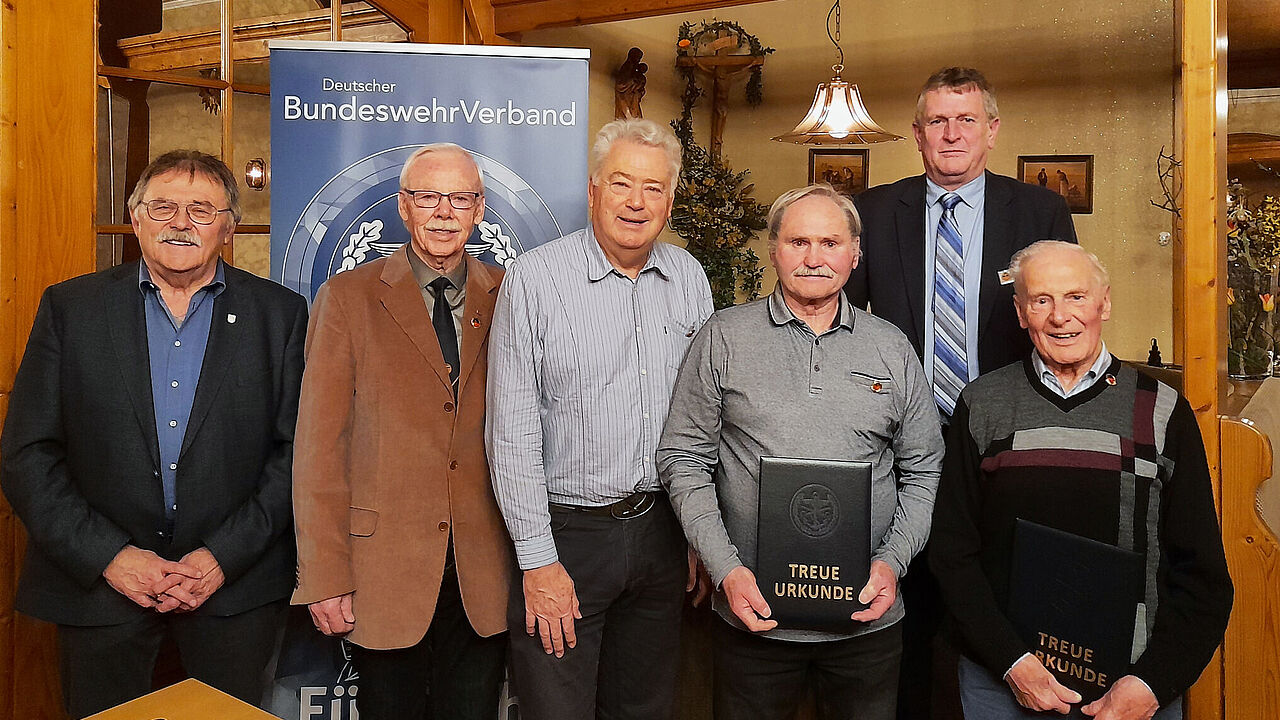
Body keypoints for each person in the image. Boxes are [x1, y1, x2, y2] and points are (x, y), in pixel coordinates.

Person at [0, 150, 307, 718]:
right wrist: (111, 557)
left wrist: (220, 558)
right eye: (162, 206)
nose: (180, 222)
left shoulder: (281, 315)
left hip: (232, 595)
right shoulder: (72, 308)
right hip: (101, 593)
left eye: (201, 209)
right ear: (136, 217)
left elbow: (297, 456)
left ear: (228, 226)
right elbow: (27, 453)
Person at [843, 67, 1078, 719]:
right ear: (917, 135)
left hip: (1004, 451)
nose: (951, 134)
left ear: (992, 130)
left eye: (966, 119)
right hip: (899, 452)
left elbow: (1060, 326)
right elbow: (846, 336)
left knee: (1005, 614)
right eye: (937, 121)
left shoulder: (1039, 212)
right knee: (904, 623)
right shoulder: (870, 211)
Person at [658, 184, 943, 720]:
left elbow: (923, 469)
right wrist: (725, 570)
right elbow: (683, 458)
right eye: (799, 242)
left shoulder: (891, 347)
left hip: (868, 623)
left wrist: (893, 563)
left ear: (855, 254)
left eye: (831, 243)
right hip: (753, 617)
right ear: (774, 250)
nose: (814, 258)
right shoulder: (724, 337)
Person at [929, 240, 1233, 720]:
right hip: (1003, 682)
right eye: (1041, 300)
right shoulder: (983, 403)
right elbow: (951, 553)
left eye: (1076, 297)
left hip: (1133, 688)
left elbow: (1203, 576)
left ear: (1103, 303)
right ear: (1020, 313)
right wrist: (1011, 663)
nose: (1060, 316)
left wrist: (1153, 683)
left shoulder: (1161, 409)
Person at [486, 117, 714, 720]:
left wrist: (696, 532)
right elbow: (511, 430)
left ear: (670, 199)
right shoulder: (535, 281)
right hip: (568, 537)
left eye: (654, 188)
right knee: (556, 709)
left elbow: (702, 419)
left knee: (646, 708)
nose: (636, 203)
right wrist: (537, 560)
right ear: (592, 191)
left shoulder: (688, 279)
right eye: (621, 184)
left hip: (662, 532)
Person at [291, 143, 513, 720]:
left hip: (483, 573)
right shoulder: (348, 299)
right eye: (428, 197)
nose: (443, 212)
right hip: (381, 572)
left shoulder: (513, 295)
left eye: (459, 198)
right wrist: (323, 575)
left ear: (480, 209)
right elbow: (319, 451)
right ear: (403, 207)